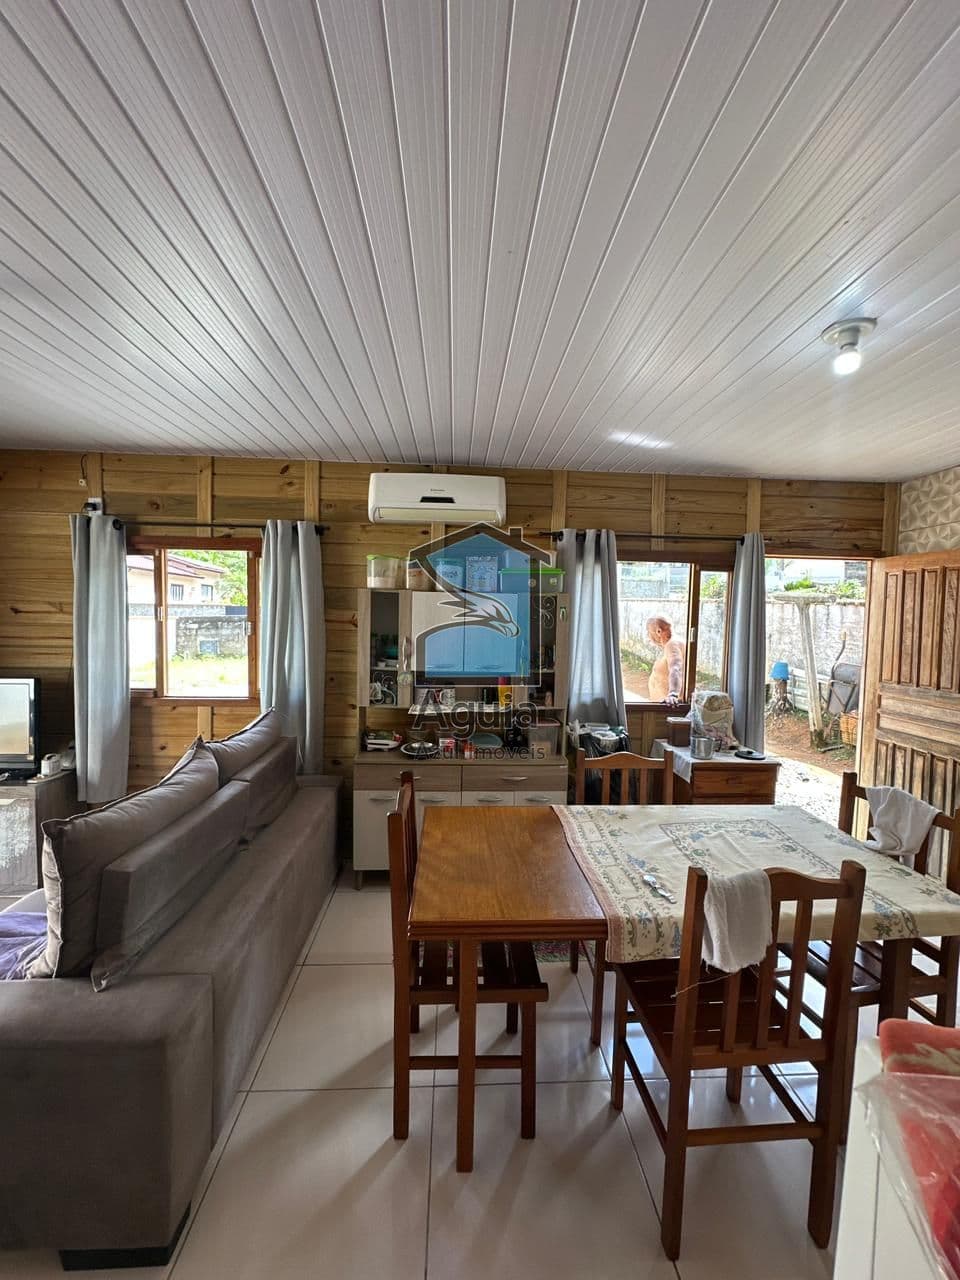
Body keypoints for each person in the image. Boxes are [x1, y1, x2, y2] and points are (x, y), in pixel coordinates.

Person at [646, 615, 685, 704]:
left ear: (658, 631)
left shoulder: (672, 644)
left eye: (649, 632)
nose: (649, 637)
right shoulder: (674, 643)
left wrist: (673, 694)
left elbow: (676, 668)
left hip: (670, 706)